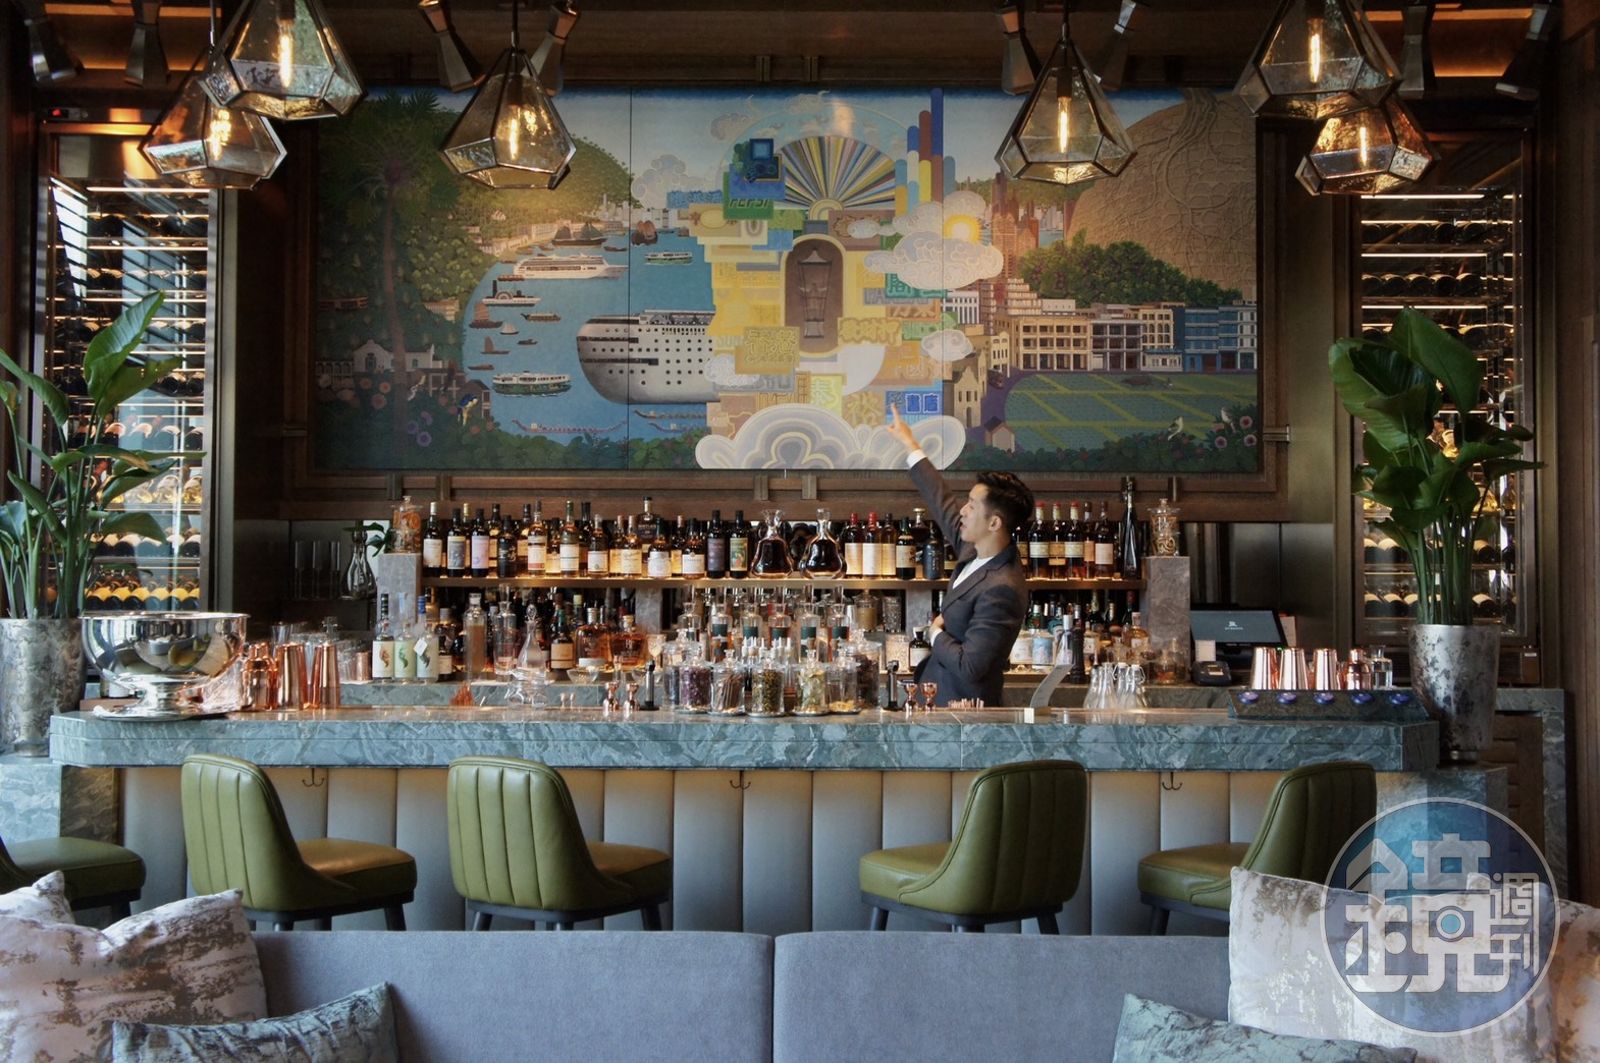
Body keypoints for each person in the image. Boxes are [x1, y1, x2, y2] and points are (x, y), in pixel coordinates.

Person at [887, 405, 1034, 707]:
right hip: (939, 701)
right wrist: (910, 444)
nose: (963, 511)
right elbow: (941, 502)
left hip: (964, 712)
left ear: (994, 523)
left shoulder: (1002, 587)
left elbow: (970, 667)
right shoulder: (974, 550)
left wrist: (935, 633)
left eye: (971, 506)